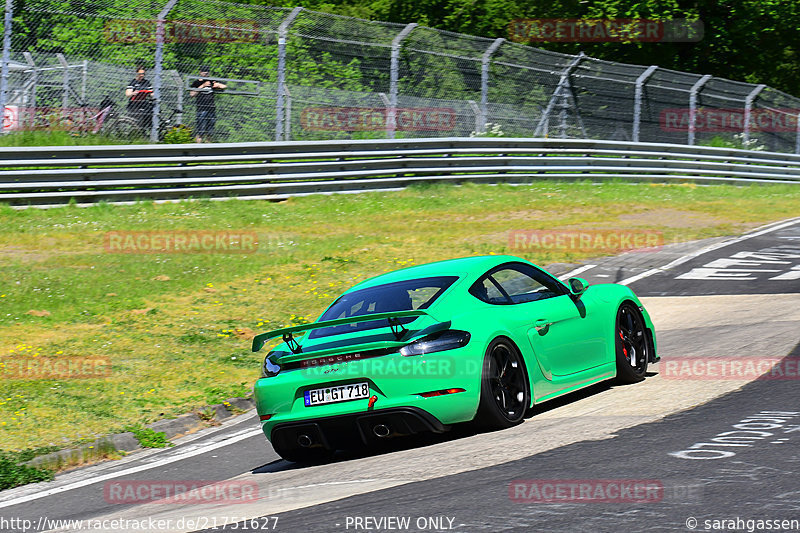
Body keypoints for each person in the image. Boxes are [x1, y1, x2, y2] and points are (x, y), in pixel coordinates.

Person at [189, 66, 226, 142]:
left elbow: (224, 86)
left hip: (211, 108)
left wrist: (218, 86)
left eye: (207, 71)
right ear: (200, 72)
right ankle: (198, 146)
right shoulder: (196, 82)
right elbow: (192, 94)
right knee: (201, 130)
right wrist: (203, 86)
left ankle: (208, 145)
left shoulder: (211, 81)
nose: (206, 73)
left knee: (210, 131)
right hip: (201, 108)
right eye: (204, 71)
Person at [124, 66, 154, 132]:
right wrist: (133, 93)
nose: (142, 75)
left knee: (151, 113)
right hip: (134, 105)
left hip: (144, 103)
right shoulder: (133, 82)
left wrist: (151, 94)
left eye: (143, 74)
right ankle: (139, 131)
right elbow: (128, 94)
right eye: (140, 73)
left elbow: (151, 93)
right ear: (136, 73)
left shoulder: (147, 82)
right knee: (141, 116)